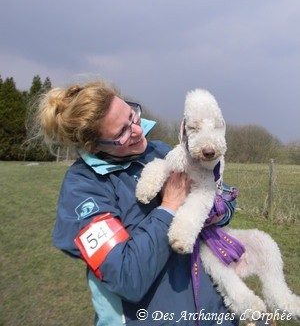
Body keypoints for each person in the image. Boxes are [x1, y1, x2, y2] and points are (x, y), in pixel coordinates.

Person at [33, 80, 240, 326]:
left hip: (214, 313)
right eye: (121, 132)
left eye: (132, 115)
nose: (138, 130)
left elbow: (218, 192)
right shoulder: (83, 190)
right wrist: (169, 207)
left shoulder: (160, 151)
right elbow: (126, 276)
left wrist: (218, 210)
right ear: (92, 146)